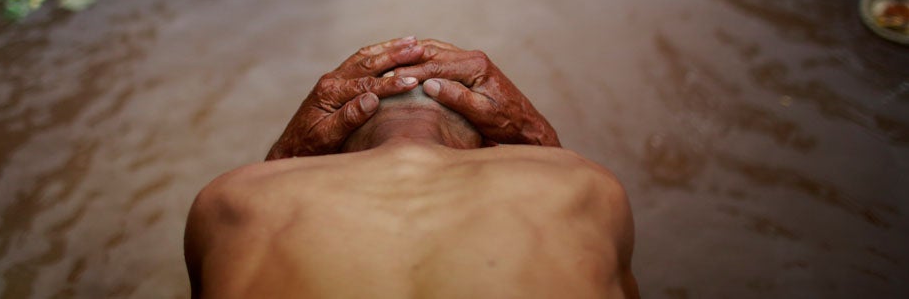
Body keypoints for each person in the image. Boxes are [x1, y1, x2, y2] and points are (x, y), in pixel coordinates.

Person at [184, 36, 639, 298]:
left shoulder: (233, 201)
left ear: (333, 150)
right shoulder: (579, 186)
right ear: (489, 146)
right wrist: (537, 137)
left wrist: (287, 153)